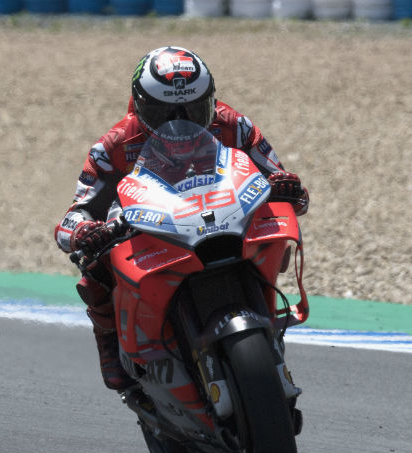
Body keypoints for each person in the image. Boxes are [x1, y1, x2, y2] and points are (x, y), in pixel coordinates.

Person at [54, 46, 309, 391]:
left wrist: (290, 188)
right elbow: (74, 215)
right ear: (141, 105)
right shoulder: (113, 145)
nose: (181, 121)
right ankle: (109, 342)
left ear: (211, 99)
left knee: (275, 222)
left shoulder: (236, 126)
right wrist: (85, 231)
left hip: (223, 218)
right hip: (154, 231)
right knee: (94, 268)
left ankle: (263, 310)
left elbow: (282, 181)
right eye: (164, 112)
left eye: (194, 108)